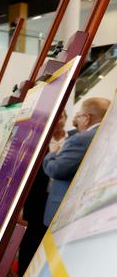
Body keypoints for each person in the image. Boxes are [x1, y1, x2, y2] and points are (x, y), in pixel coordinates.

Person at [43, 97, 109, 226]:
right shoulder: (108, 134)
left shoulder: (80, 139)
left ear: (86, 118)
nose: (75, 122)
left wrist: (52, 155)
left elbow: (56, 170)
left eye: (78, 116)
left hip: (66, 210)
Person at [18, 110, 67, 276]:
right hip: (37, 199)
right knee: (31, 240)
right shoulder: (36, 141)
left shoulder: (73, 139)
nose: (57, 119)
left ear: (66, 119)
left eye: (61, 116)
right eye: (54, 116)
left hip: (61, 201)